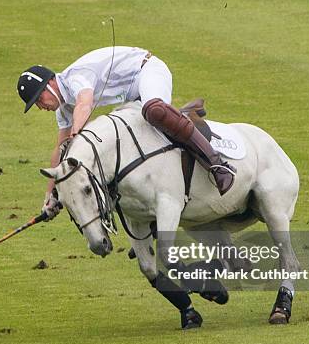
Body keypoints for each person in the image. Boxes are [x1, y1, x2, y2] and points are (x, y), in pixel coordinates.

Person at [17, 46, 236, 220]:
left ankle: (217, 165)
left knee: (154, 110)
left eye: (38, 99)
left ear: (49, 84)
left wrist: (75, 135)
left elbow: (85, 103)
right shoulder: (63, 109)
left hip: (147, 71)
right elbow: (59, 152)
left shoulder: (75, 77)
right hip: (131, 99)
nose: (40, 106)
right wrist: (51, 195)